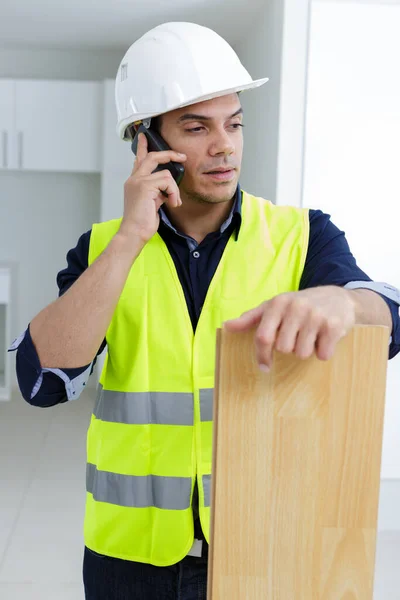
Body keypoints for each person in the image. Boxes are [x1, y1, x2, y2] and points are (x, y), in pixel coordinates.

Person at [11, 21, 400, 600]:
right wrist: (129, 240)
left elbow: (386, 316)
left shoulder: (301, 236)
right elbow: (41, 383)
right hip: (130, 561)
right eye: (197, 128)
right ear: (146, 143)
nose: (225, 145)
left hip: (262, 544)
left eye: (235, 124)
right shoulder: (101, 250)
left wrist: (340, 300)